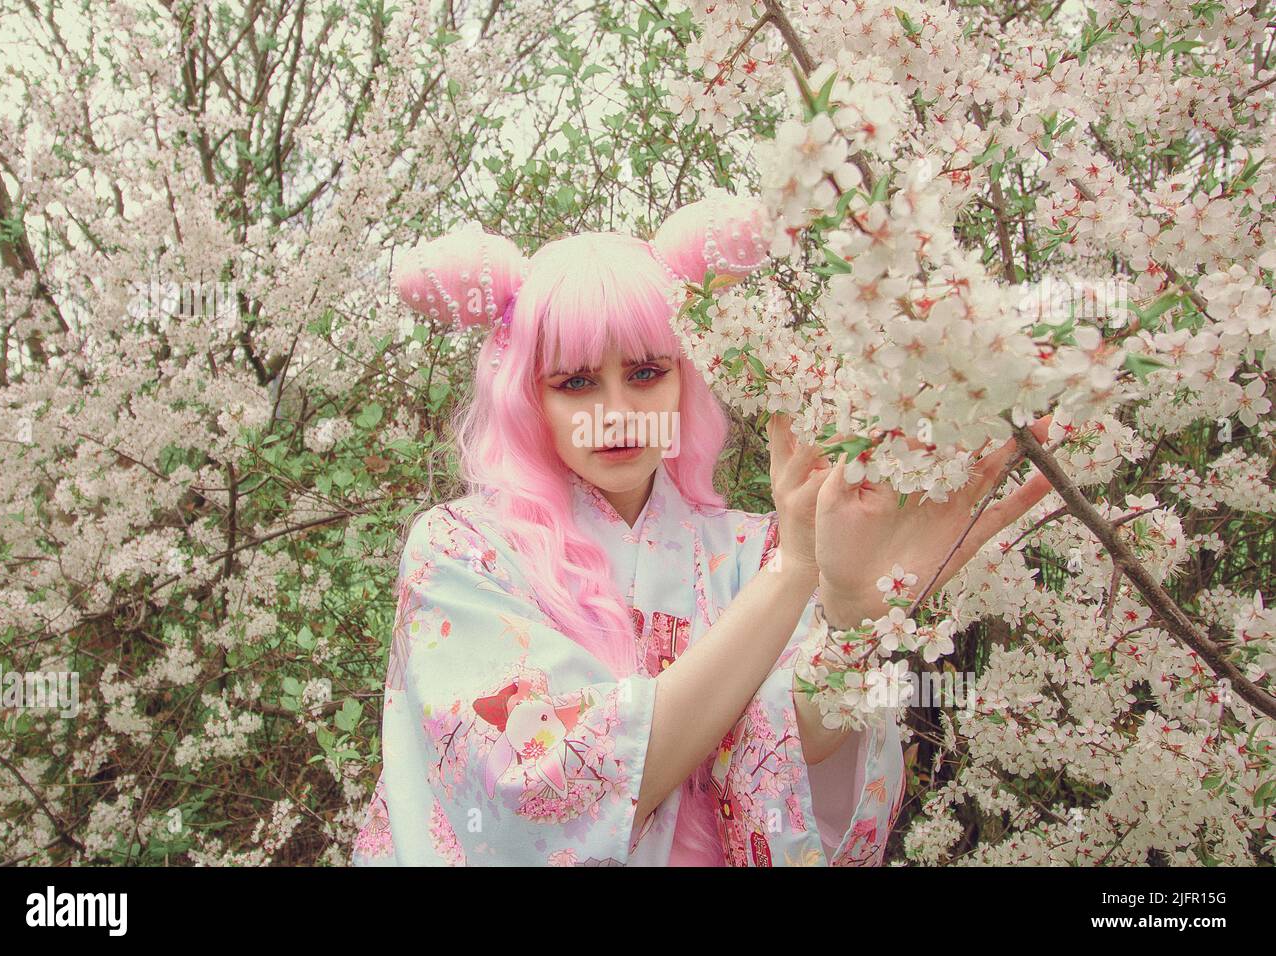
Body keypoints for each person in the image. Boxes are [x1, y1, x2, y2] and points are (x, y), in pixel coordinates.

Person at [351, 194, 1053, 866]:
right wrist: (796, 576)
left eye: (647, 373)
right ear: (527, 395)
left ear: (685, 379)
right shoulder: (462, 550)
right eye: (575, 383)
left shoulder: (759, 552)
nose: (618, 410)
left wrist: (852, 628)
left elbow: (781, 765)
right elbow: (536, 787)